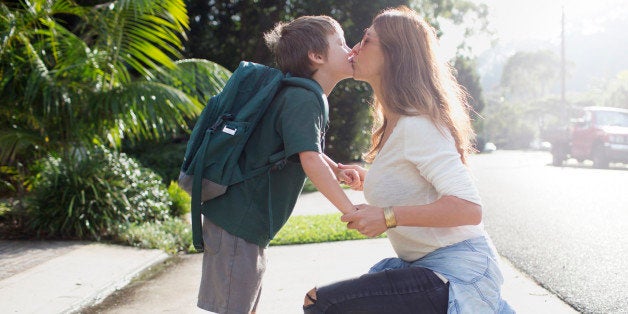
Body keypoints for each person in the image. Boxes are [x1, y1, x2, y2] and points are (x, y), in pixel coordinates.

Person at [302, 6, 514, 314]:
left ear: (394, 54)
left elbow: (469, 209)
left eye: (366, 40)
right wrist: (368, 179)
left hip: (455, 272)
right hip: (429, 267)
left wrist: (386, 216)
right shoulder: (396, 124)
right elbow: (415, 184)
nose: (355, 49)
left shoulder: (418, 125)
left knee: (324, 304)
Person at [197, 16, 359, 314]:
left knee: (241, 305)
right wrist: (349, 210)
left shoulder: (302, 94)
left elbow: (305, 150)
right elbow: (310, 160)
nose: (350, 49)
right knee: (235, 308)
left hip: (244, 221)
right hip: (239, 220)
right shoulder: (302, 97)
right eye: (341, 42)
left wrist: (335, 168)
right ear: (317, 56)